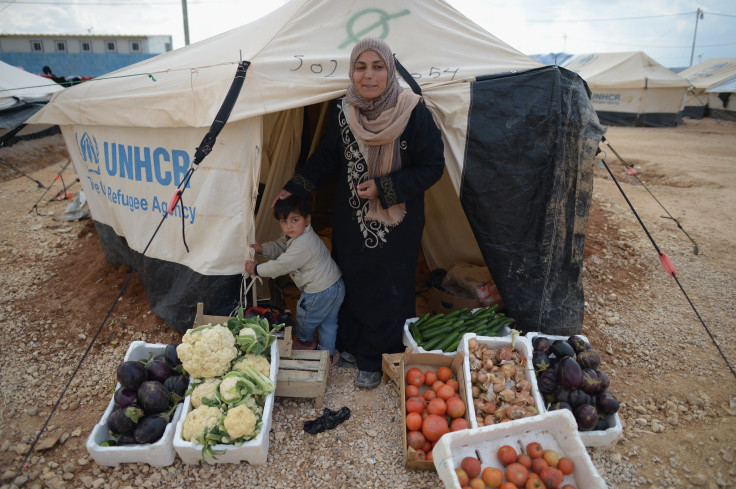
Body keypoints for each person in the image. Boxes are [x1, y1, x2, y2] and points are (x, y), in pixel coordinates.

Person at [271, 37, 445, 388]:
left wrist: (385, 187)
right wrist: (296, 187)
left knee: (389, 286)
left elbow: (432, 167)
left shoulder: (413, 112)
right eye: (360, 67)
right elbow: (326, 159)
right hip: (351, 218)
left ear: (389, 70)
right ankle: (350, 344)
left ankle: (376, 356)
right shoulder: (343, 111)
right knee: (349, 278)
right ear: (351, 72)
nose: (368, 76)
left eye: (377, 67)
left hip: (398, 223)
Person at [245, 195, 344, 365]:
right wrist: (262, 249)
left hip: (319, 290)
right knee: (328, 323)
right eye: (284, 221)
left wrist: (256, 269)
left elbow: (281, 265)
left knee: (305, 315)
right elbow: (281, 247)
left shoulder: (303, 244)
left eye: (294, 220)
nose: (289, 226)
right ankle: (327, 355)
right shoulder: (298, 235)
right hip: (335, 285)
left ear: (307, 219)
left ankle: (305, 343)